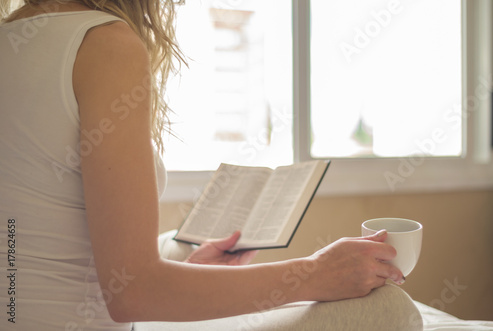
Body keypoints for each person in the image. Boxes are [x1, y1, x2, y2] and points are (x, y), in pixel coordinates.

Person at [0, 1, 420, 330]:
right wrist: (316, 273)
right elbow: (132, 292)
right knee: (390, 310)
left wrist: (187, 277)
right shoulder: (104, 42)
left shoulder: (13, 37)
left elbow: (42, 245)